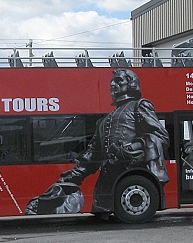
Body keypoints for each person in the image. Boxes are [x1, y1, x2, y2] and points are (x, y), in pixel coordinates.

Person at [25, 68, 169, 215]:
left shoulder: (139, 106)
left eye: (119, 80)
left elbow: (160, 136)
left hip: (131, 173)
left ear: (131, 84)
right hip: (105, 186)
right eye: (112, 81)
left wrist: (129, 149)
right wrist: (67, 179)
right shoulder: (104, 121)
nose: (113, 84)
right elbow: (92, 156)